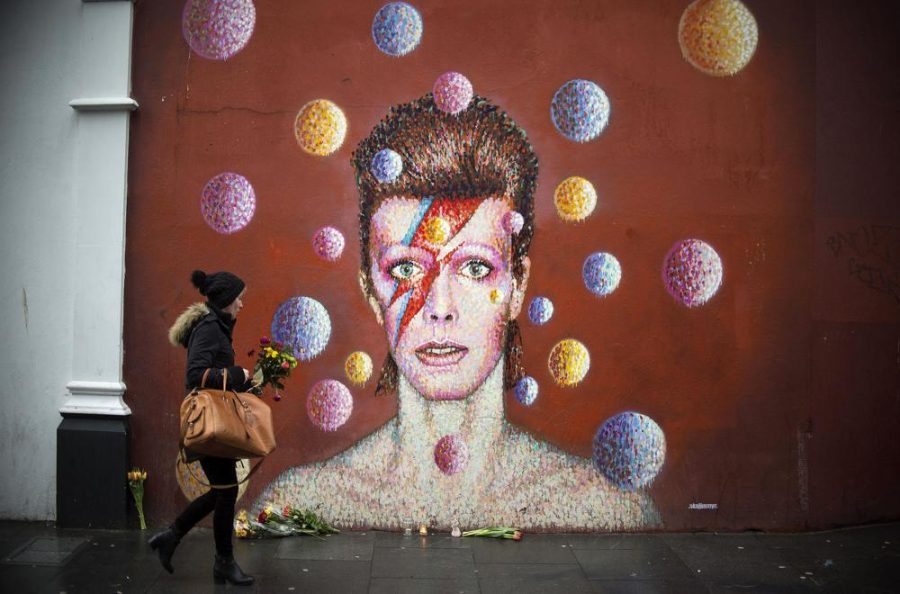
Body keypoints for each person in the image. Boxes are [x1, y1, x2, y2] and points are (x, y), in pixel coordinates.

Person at [255, 94, 660, 530]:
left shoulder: (606, 510)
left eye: (475, 267)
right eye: (406, 268)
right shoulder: (304, 504)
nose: (440, 308)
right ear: (371, 291)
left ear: (517, 286)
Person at [148, 269, 254, 586]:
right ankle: (221, 562)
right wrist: (238, 375)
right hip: (209, 423)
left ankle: (173, 537)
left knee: (223, 492)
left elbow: (213, 373)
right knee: (226, 491)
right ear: (224, 301)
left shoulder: (216, 326)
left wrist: (245, 384)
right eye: (238, 299)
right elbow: (196, 376)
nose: (242, 305)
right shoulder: (209, 328)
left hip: (216, 420)